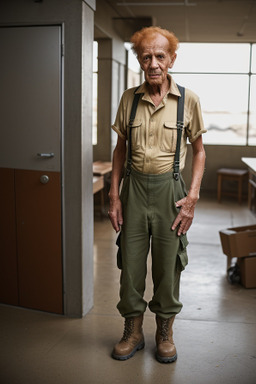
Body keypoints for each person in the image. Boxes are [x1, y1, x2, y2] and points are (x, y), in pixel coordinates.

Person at [108, 26, 206, 363]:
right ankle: (132, 331)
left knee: (169, 267)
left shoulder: (188, 100)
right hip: (133, 191)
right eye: (146, 56)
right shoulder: (128, 98)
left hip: (171, 192)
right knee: (130, 266)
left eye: (160, 56)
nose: (153, 63)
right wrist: (114, 196)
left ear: (172, 59)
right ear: (139, 59)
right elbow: (119, 148)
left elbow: (200, 152)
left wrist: (191, 198)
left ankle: (165, 333)